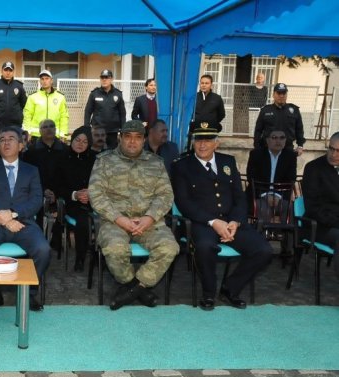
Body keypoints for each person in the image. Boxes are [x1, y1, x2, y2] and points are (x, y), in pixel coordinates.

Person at [171, 124, 273, 311]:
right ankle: (209, 293)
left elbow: (239, 197)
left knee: (263, 250)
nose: (202, 145)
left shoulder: (228, 162)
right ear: (193, 143)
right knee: (205, 247)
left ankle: (230, 289)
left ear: (216, 143)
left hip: (231, 221)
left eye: (208, 140)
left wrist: (235, 221)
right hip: (201, 223)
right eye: (198, 140)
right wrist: (214, 222)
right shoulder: (181, 166)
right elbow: (184, 202)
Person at [89, 120, 179, 310]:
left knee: (170, 248)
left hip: (148, 223)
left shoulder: (156, 163)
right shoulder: (104, 161)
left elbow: (165, 195)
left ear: (144, 140)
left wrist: (149, 218)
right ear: (120, 138)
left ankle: (132, 290)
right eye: (128, 137)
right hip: (114, 222)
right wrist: (120, 219)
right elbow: (96, 194)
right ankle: (138, 289)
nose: (132, 142)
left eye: (138, 138)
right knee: (115, 249)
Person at [0, 126, 49, 313]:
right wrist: (3, 218)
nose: (6, 142)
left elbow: (36, 200)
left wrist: (14, 214)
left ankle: (29, 292)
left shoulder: (31, 171)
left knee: (43, 249)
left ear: (21, 145)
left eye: (11, 139)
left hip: (24, 222)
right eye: (2, 140)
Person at [55, 126, 96, 271]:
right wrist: (75, 194)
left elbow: (101, 182)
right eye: (78, 140)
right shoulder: (61, 158)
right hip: (71, 202)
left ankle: (101, 257)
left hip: (95, 200)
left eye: (85, 142)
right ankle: (80, 258)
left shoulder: (95, 159)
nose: (80, 144)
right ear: (72, 140)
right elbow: (58, 186)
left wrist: (91, 193)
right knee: (83, 220)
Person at [301, 132, 339, 278]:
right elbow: (313, 208)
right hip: (319, 225)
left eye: (338, 151)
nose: (333, 154)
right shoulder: (313, 168)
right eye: (331, 148)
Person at [23, 119, 66, 227]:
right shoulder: (31, 152)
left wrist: (56, 193)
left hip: (61, 195)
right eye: (45, 127)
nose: (49, 129)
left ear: (56, 129)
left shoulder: (65, 150)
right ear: (40, 131)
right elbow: (28, 177)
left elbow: (67, 176)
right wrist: (43, 191)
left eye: (51, 126)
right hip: (37, 194)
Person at [253, 83, 305, 155]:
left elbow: (299, 129)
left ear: (286, 95)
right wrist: (257, 147)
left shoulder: (294, 110)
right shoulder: (265, 110)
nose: (281, 96)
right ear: (273, 94)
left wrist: (300, 146)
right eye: (279, 93)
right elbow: (258, 130)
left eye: (284, 93)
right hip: (268, 150)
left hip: (287, 149)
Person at [84, 69, 126, 148]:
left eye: (106, 77)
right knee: (97, 153)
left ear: (111, 79)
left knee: (111, 154)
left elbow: (122, 113)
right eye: (102, 77)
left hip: (113, 131)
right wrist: (86, 127)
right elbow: (88, 111)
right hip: (98, 131)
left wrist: (123, 129)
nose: (104, 79)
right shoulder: (94, 94)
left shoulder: (118, 94)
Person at [23, 70, 69, 139]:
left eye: (47, 78)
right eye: (42, 79)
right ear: (40, 81)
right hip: (36, 135)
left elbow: (64, 116)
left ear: (51, 80)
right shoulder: (32, 97)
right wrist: (28, 132)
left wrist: (63, 134)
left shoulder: (60, 97)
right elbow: (27, 115)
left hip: (55, 135)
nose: (44, 81)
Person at [0, 61, 27, 128]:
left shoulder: (19, 86)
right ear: (2, 71)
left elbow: (24, 104)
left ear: (13, 72)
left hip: (15, 125)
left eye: (10, 70)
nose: (8, 73)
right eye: (6, 70)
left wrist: (17, 113)